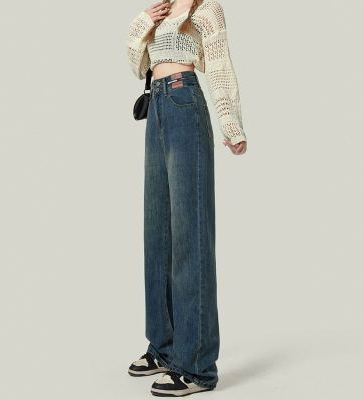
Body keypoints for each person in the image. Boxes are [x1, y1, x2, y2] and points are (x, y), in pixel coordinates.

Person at [126, 0, 247, 396]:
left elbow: (220, 65)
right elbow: (137, 64)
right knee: (157, 234)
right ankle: (163, 347)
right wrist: (144, 21)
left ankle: (196, 365)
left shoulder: (206, 9)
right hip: (157, 108)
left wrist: (231, 124)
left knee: (189, 236)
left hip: (184, 104)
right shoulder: (161, 10)